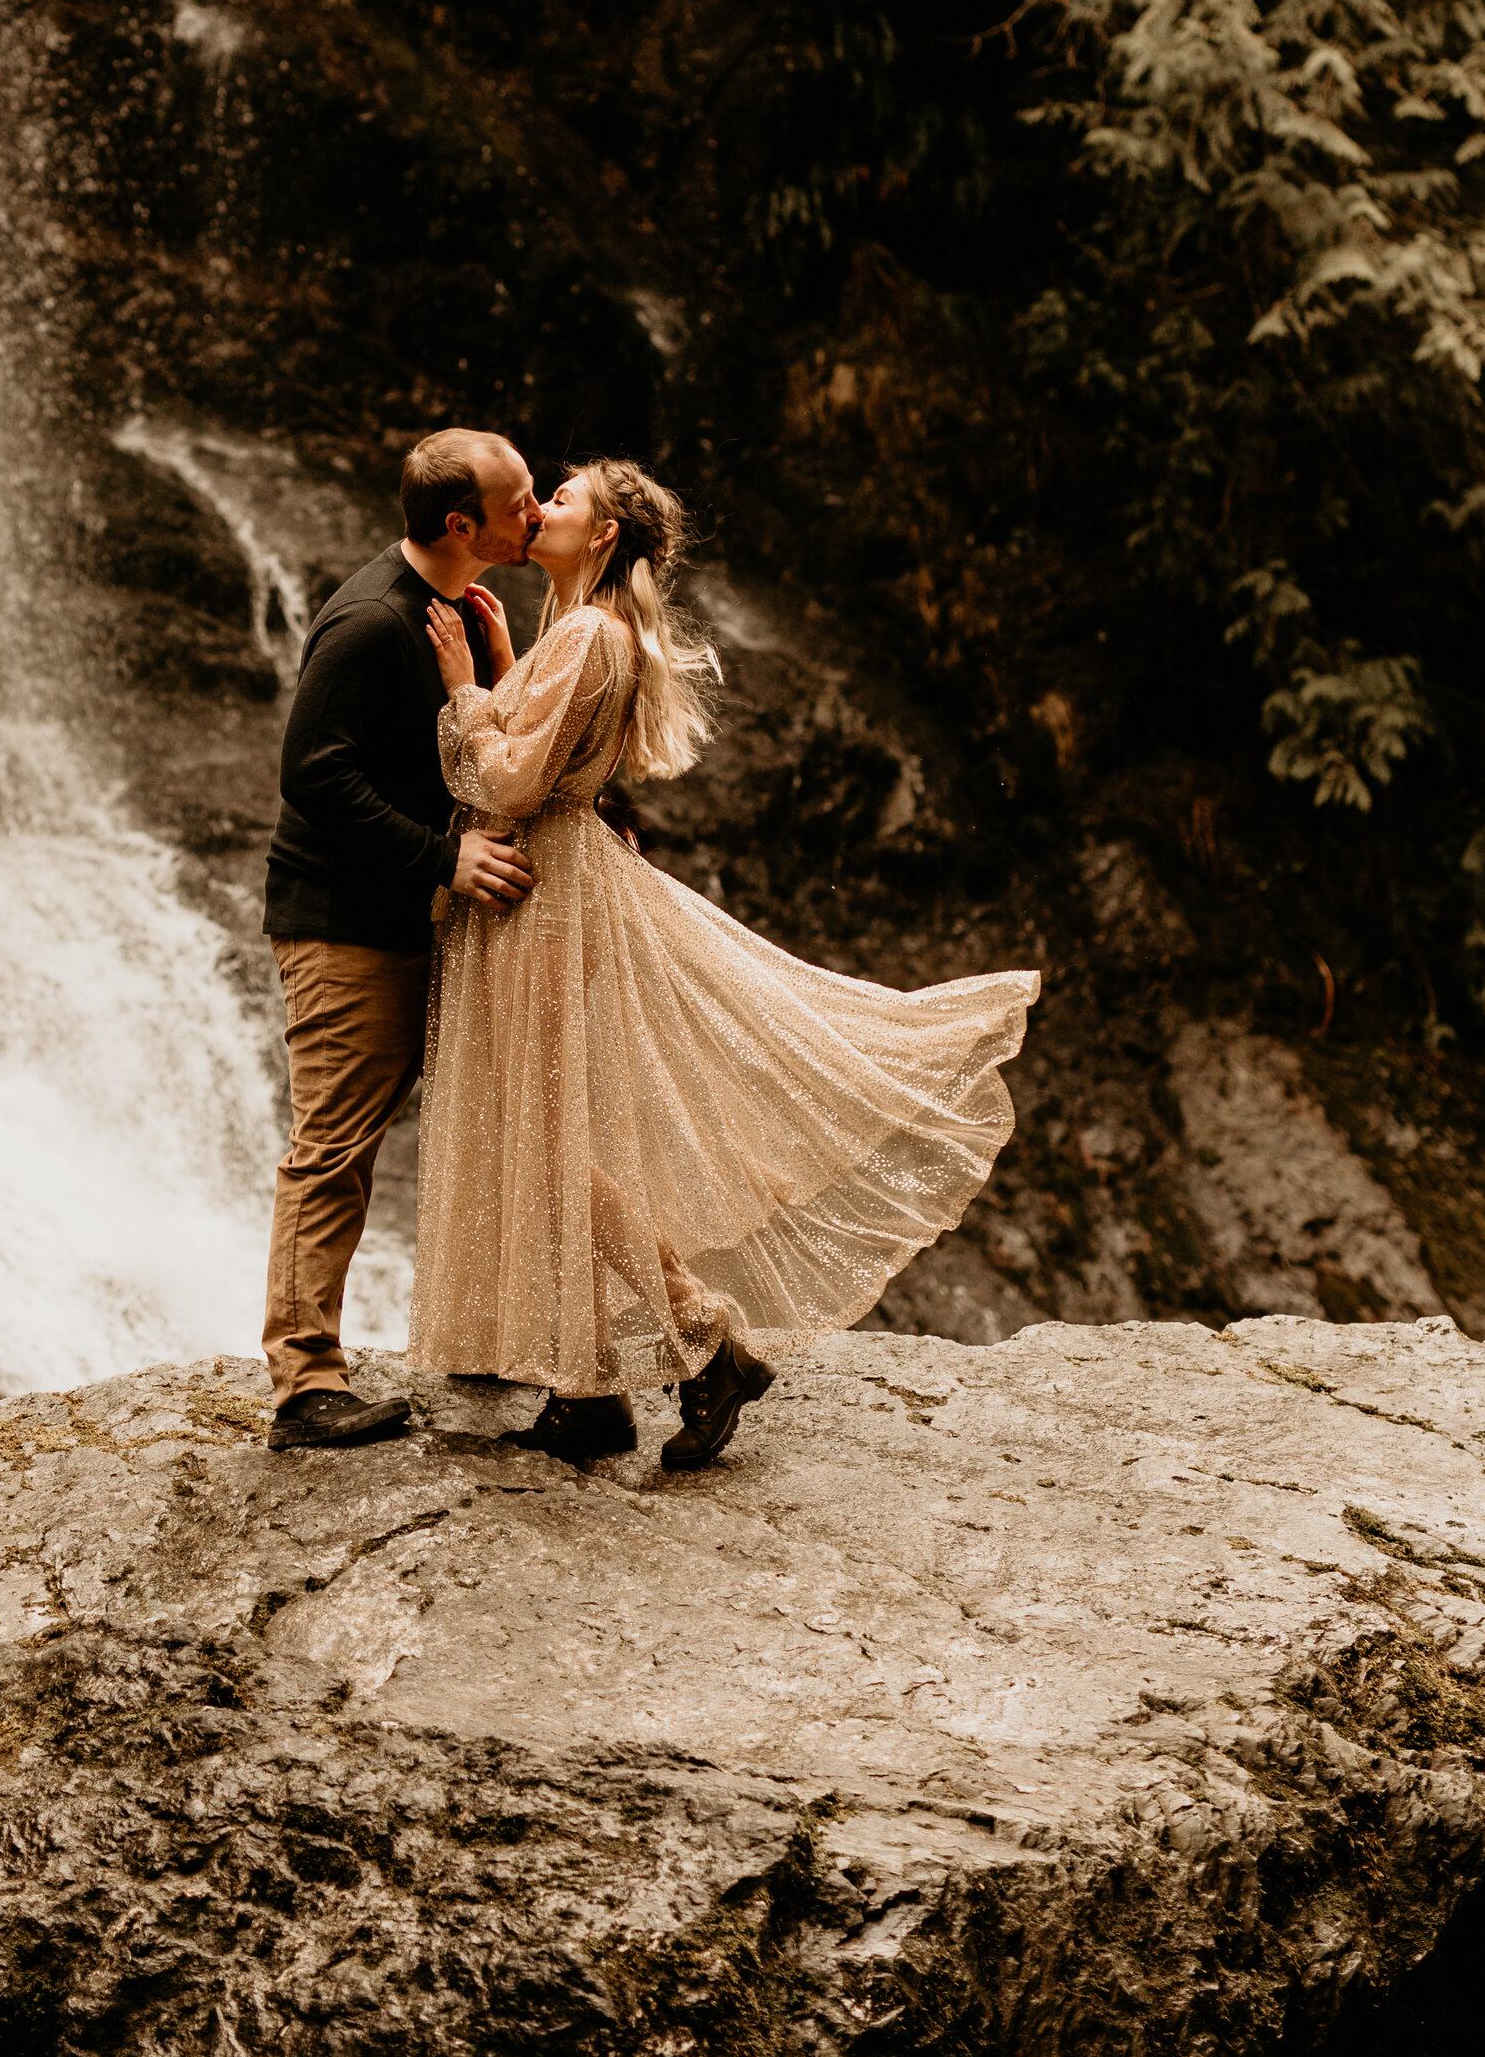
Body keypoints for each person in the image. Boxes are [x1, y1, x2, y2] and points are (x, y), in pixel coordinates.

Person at [410, 458, 1036, 1468]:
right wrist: (502, 657)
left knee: (554, 1147)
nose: (539, 510)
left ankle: (703, 1346)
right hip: (555, 891)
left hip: (541, 895)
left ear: (605, 535)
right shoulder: (582, 631)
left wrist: (465, 690)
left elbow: (518, 781)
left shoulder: (587, 636)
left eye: (562, 500)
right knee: (552, 1136)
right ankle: (590, 1387)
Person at [259, 426, 542, 1451]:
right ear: (461, 524)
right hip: (345, 925)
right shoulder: (371, 623)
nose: (537, 509)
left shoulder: (454, 606)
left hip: (411, 920)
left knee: (473, 1126)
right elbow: (314, 778)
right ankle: (303, 1385)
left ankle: (482, 1334)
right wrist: (440, 860)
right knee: (333, 1147)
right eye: (518, 500)